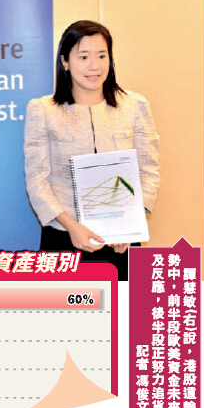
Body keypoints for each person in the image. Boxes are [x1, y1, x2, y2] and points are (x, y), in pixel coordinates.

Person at [24, 20, 160, 280]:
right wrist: (71, 227)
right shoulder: (43, 110)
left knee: (122, 305)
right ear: (65, 61)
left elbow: (149, 170)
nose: (94, 66)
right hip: (64, 238)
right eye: (84, 56)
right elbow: (37, 181)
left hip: (121, 241)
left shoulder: (134, 105)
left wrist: (131, 226)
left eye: (102, 55)